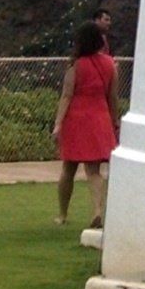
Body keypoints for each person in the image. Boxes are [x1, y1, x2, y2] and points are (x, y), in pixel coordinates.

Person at [53, 21, 120, 229]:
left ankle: (63, 214)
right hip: (100, 118)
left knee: (68, 168)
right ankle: (98, 211)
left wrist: (57, 124)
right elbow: (113, 97)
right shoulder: (110, 64)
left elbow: (66, 96)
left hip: (76, 119)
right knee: (94, 170)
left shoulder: (76, 66)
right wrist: (114, 120)